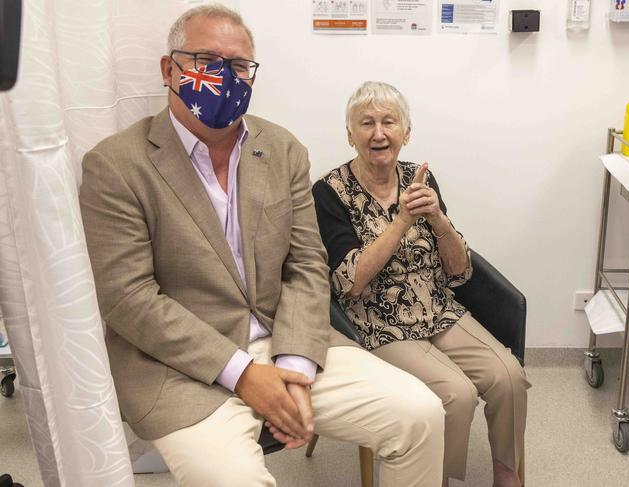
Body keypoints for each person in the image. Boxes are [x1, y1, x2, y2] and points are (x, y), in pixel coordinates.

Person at [79, 6, 445, 487]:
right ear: (170, 69)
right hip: (183, 368)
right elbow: (128, 298)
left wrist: (292, 365)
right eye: (206, 61)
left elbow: (307, 263)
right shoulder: (116, 165)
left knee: (421, 414)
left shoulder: (282, 149)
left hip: (288, 339)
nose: (224, 77)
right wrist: (245, 374)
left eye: (237, 66)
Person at [312, 81, 530, 487]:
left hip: (438, 306)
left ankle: (507, 473)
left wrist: (439, 220)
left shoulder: (420, 179)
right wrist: (401, 223)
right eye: (367, 123)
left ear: (405, 133)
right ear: (350, 135)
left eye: (389, 122)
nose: (379, 133)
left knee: (509, 376)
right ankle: (437, 479)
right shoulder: (329, 192)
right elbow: (350, 283)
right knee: (458, 395)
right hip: (376, 320)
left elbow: (458, 271)